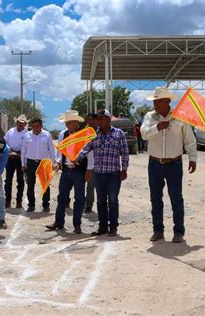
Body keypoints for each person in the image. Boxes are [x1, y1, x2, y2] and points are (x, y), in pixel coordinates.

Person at [141, 87, 197, 243]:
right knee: (155, 198)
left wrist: (193, 158)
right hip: (154, 164)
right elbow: (144, 134)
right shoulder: (149, 117)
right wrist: (157, 127)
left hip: (174, 164)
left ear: (167, 102)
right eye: (154, 100)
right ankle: (157, 230)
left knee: (176, 198)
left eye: (158, 101)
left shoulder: (180, 117)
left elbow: (190, 139)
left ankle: (179, 231)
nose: (155, 104)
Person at [79, 109, 129, 237]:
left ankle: (113, 227)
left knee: (112, 200)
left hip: (113, 174)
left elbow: (125, 152)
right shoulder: (94, 135)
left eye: (101, 119)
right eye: (97, 119)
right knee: (101, 201)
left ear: (108, 119)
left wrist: (124, 169)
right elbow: (86, 149)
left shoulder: (119, 134)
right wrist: (77, 156)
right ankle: (102, 227)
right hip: (99, 174)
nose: (98, 121)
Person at [45, 112, 94, 234]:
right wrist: (58, 162)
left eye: (70, 122)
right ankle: (59, 222)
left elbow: (91, 154)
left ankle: (77, 225)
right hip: (66, 170)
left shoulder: (85, 135)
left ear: (76, 123)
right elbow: (60, 151)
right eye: (66, 122)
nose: (67, 124)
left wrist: (89, 170)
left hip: (79, 171)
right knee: (62, 197)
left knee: (79, 198)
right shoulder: (63, 134)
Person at [21, 118, 55, 213]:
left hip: (44, 162)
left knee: (45, 184)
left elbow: (51, 150)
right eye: (34, 126)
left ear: (41, 126)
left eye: (38, 126)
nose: (35, 128)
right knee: (30, 185)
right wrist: (23, 164)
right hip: (30, 162)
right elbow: (23, 151)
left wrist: (53, 162)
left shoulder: (47, 135)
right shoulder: (27, 135)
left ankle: (45, 205)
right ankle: (31, 205)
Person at [4, 114, 28, 209]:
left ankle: (19, 201)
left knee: (20, 180)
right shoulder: (10, 131)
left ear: (25, 124)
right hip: (10, 158)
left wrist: (20, 153)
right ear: (16, 122)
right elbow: (5, 142)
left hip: (20, 158)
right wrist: (9, 150)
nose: (20, 124)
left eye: (23, 123)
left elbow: (27, 146)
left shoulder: (27, 133)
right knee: (8, 180)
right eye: (19, 123)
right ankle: (8, 200)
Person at [84, 113, 96, 213]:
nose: (90, 121)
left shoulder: (101, 132)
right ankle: (88, 204)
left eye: (92, 119)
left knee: (96, 186)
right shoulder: (85, 133)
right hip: (87, 163)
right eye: (89, 120)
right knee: (89, 185)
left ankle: (90, 204)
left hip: (100, 164)